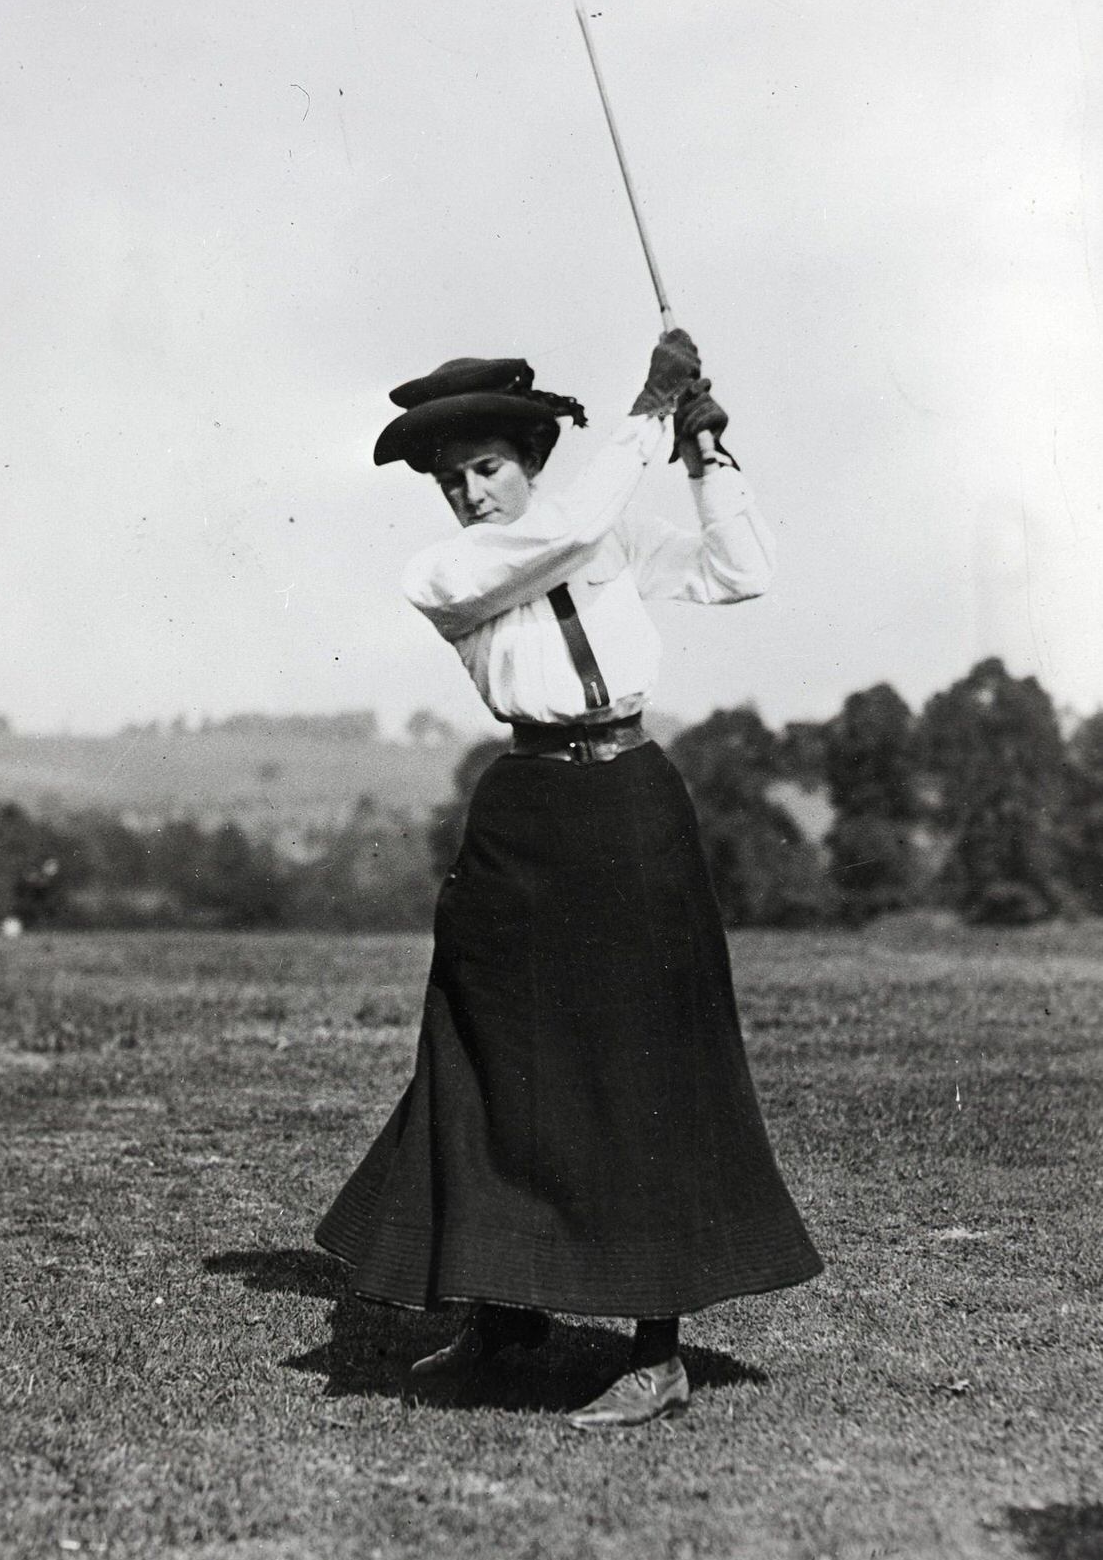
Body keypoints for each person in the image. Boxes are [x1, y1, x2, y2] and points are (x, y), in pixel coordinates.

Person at [315, 329, 823, 1427]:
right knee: (494, 1058)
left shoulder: (597, 531)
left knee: (639, 1065)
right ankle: (506, 1310)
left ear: (530, 460)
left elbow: (744, 572)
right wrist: (646, 414)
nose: (469, 495)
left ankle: (655, 1352)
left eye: (486, 469)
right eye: (451, 482)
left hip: (632, 802)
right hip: (527, 813)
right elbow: (565, 530)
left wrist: (699, 454)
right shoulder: (448, 571)